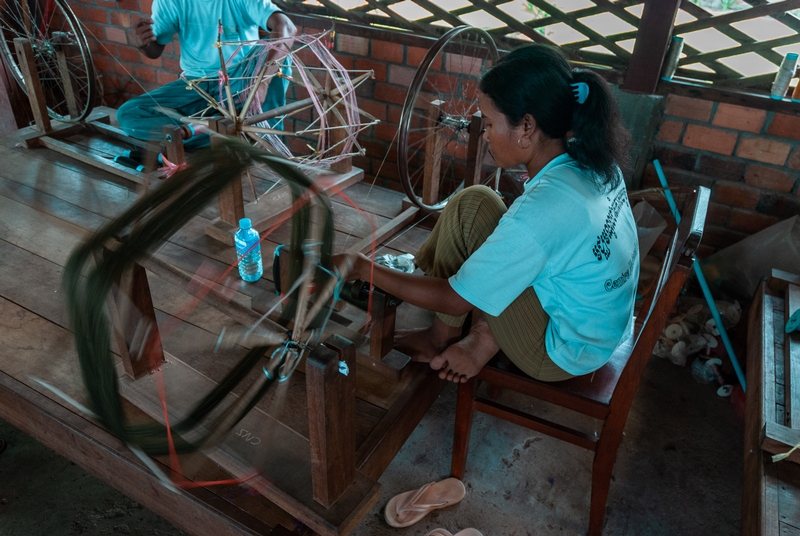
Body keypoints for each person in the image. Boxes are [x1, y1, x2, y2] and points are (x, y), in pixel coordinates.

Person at [337, 44, 639, 384]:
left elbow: (453, 300)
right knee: (474, 202)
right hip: (597, 323)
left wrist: (362, 266)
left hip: (562, 352)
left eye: (490, 124)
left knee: (469, 260)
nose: (482, 135)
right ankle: (458, 336)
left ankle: (464, 339)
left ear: (526, 127)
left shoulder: (546, 209)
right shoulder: (591, 158)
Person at [117, 0, 297, 150]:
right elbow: (154, 50)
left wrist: (261, 82)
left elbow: (286, 28)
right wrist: (143, 44)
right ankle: (227, 137)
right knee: (129, 114)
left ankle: (263, 136)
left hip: (240, 82)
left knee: (276, 50)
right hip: (194, 85)